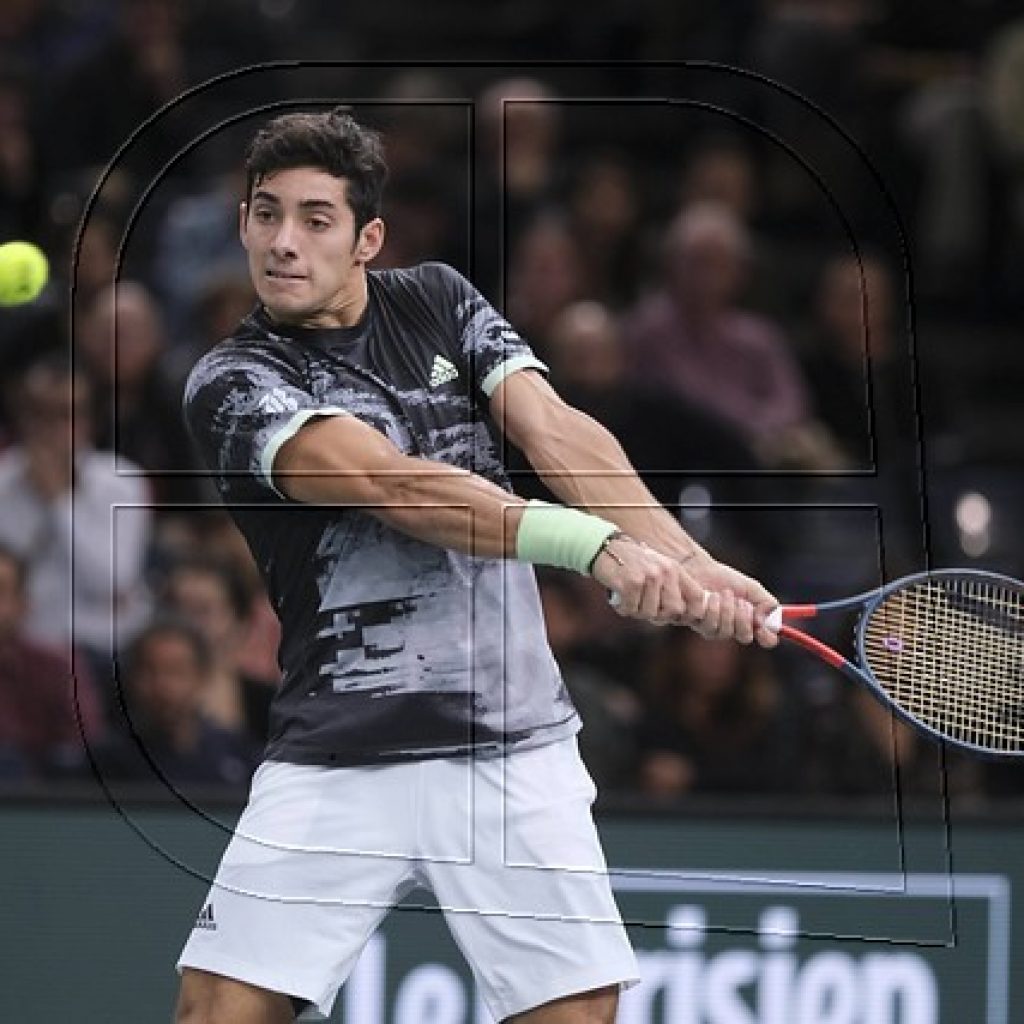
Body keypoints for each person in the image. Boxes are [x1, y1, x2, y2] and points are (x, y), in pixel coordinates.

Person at [175, 107, 779, 1024]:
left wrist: (690, 564)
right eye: (265, 214)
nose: (283, 242)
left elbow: (558, 431)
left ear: (367, 238)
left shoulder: (441, 300)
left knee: (575, 1016)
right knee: (219, 1013)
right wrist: (595, 548)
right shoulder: (232, 381)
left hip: (512, 741)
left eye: (314, 218)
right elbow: (399, 490)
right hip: (339, 749)